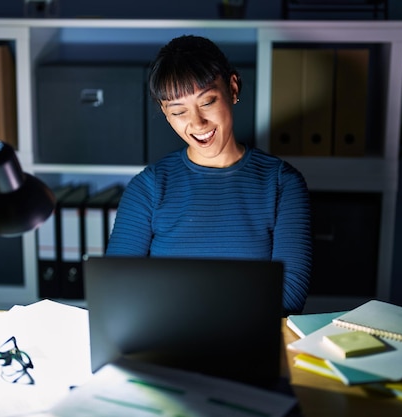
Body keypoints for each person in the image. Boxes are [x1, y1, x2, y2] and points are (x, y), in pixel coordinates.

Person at [106, 35, 312, 315]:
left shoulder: (282, 184)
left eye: (207, 102)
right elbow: (117, 288)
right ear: (166, 115)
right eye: (178, 111)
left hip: (250, 342)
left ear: (233, 88)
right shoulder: (148, 188)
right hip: (166, 341)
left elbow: (289, 295)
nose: (197, 123)